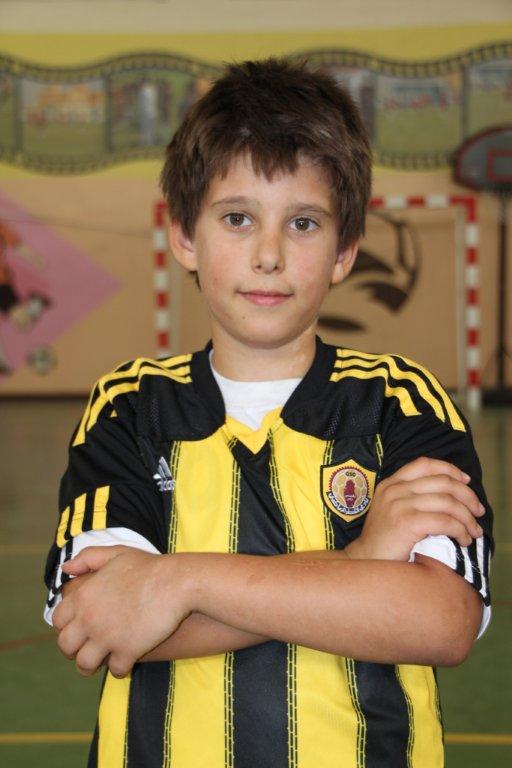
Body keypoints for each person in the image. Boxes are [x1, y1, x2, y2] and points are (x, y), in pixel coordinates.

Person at [45, 58, 493, 768]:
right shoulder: (128, 408)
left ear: (344, 251)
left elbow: (441, 620)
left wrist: (179, 581)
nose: (268, 255)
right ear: (184, 235)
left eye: (304, 223)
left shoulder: (399, 401)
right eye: (237, 218)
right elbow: (99, 620)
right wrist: (360, 564)